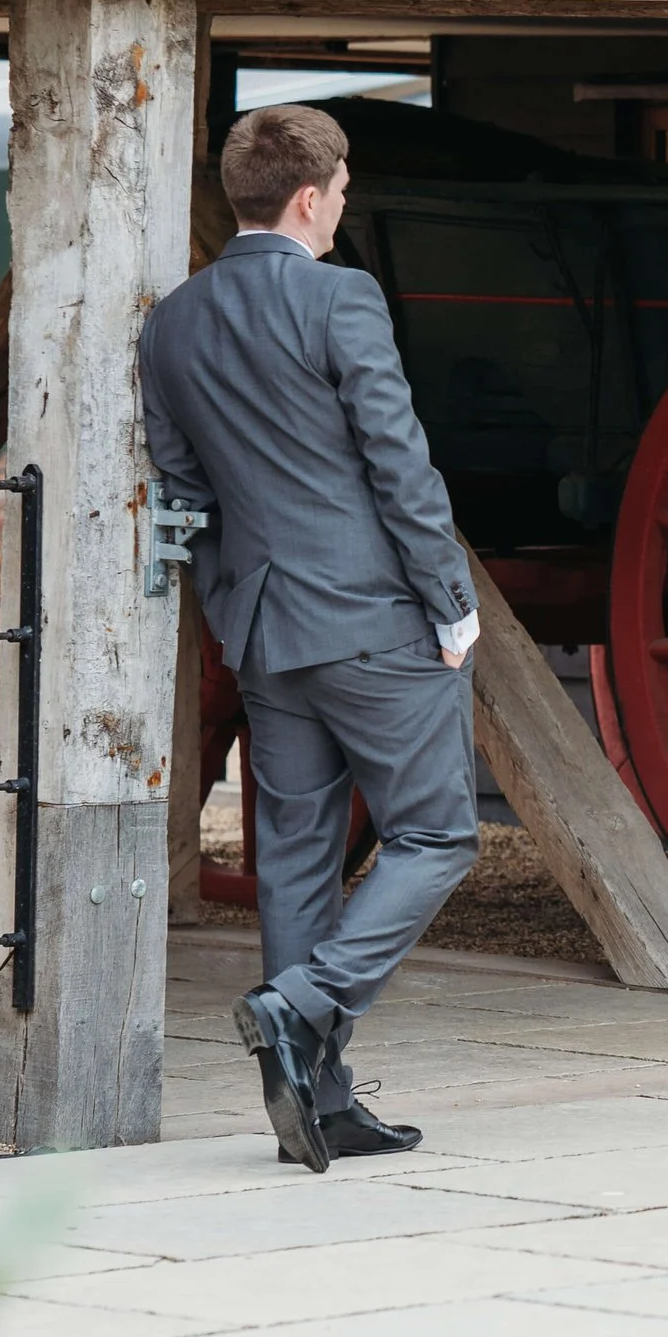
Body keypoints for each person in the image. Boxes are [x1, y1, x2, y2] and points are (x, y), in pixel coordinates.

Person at [140, 104, 482, 1169]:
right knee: (437, 834)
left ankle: (316, 1106)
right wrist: (449, 594)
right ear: (307, 195)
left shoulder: (172, 320)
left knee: (294, 859)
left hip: (262, 624)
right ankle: (303, 1002)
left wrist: (230, 604)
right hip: (374, 615)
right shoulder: (341, 297)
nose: (343, 209)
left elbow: (183, 489)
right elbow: (398, 459)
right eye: (340, 193)